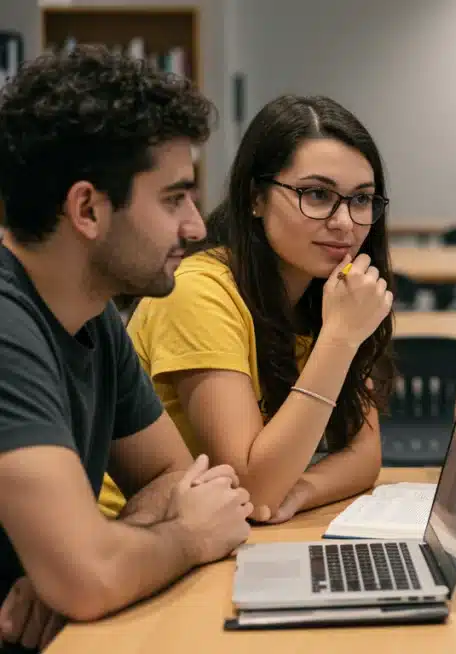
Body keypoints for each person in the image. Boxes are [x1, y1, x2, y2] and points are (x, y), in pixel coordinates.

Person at [0, 47, 254, 650]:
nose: (196, 227)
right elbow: (88, 579)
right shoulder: (6, 327)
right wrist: (183, 540)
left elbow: (173, 473)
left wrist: (87, 557)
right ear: (87, 208)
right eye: (174, 199)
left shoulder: (91, 310)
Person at [97, 95, 395, 525]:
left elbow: (364, 456)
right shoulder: (198, 292)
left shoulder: (330, 291)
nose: (345, 222)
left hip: (224, 536)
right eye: (316, 194)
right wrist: (340, 338)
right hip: (135, 543)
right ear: (256, 197)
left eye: (362, 199)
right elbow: (253, 488)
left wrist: (300, 490)